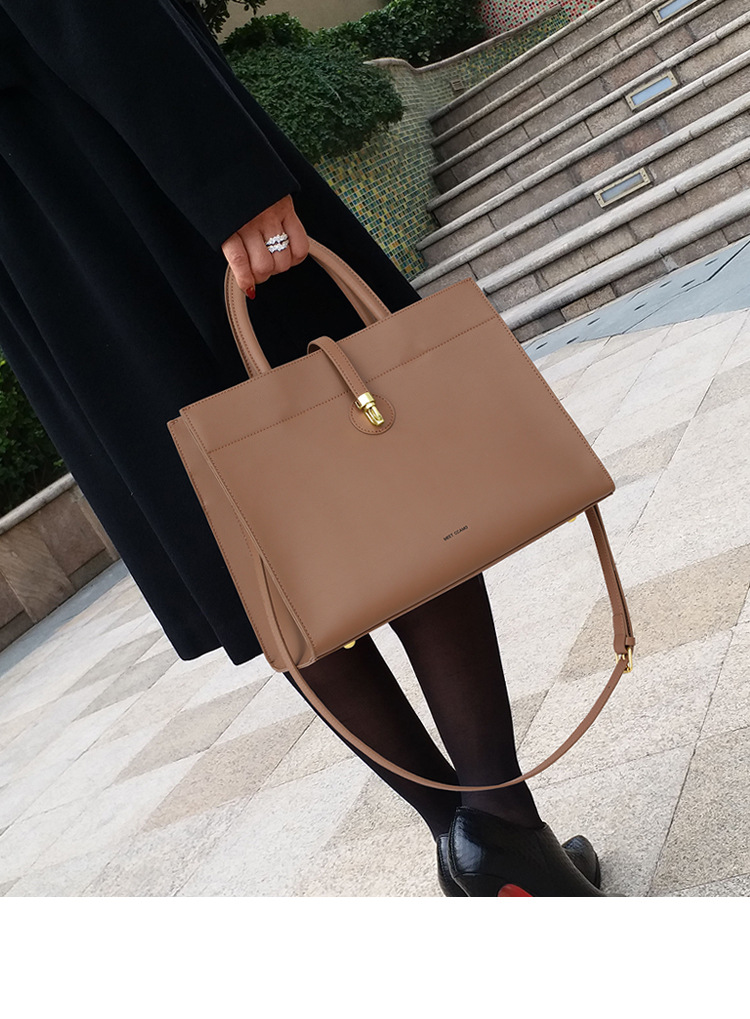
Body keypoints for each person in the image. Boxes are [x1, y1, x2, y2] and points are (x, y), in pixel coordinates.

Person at [0, 0, 607, 896]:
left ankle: (467, 839)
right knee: (378, 455)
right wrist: (225, 177)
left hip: (36, 253)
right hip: (131, 166)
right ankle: (499, 827)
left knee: (250, 539)